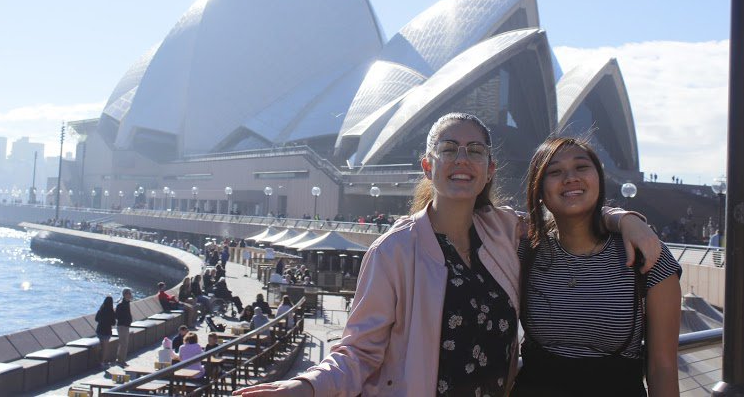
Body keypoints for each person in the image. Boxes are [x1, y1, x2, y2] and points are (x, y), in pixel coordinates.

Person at [233, 112, 660, 397]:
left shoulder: (504, 232)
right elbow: (359, 352)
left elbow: (570, 216)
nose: (462, 159)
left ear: (489, 169)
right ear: (427, 165)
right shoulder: (394, 252)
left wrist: (624, 218)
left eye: (475, 151)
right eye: (449, 148)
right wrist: (306, 387)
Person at [511, 137, 681, 397]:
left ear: (599, 179)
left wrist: (623, 218)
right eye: (555, 172)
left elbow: (663, 368)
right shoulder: (523, 251)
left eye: (581, 167)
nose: (570, 178)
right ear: (540, 191)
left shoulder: (647, 255)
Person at [94, 296, 115, 368]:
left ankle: (98, 361)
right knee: (105, 348)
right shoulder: (111, 311)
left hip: (100, 330)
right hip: (107, 331)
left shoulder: (101, 310)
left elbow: (96, 319)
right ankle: (102, 362)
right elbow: (113, 323)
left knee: (100, 346)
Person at [115, 288, 133, 366]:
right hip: (122, 325)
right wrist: (125, 319)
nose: (130, 295)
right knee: (123, 343)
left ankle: (120, 359)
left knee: (124, 343)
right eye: (129, 293)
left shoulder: (127, 303)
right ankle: (121, 360)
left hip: (126, 325)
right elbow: (116, 316)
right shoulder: (120, 304)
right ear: (125, 294)